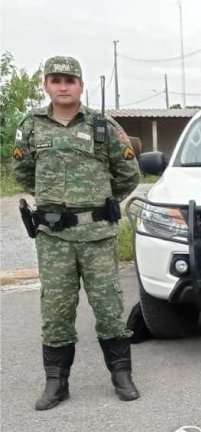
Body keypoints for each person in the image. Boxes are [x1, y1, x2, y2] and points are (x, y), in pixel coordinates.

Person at [11, 56, 142, 409]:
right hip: (53, 239)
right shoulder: (31, 127)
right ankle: (56, 382)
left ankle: (121, 375)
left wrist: (100, 203)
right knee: (56, 311)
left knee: (109, 308)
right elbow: (22, 173)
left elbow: (129, 174)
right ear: (46, 85)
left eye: (70, 80)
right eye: (56, 80)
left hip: (97, 235)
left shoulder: (103, 126)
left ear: (81, 85)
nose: (63, 86)